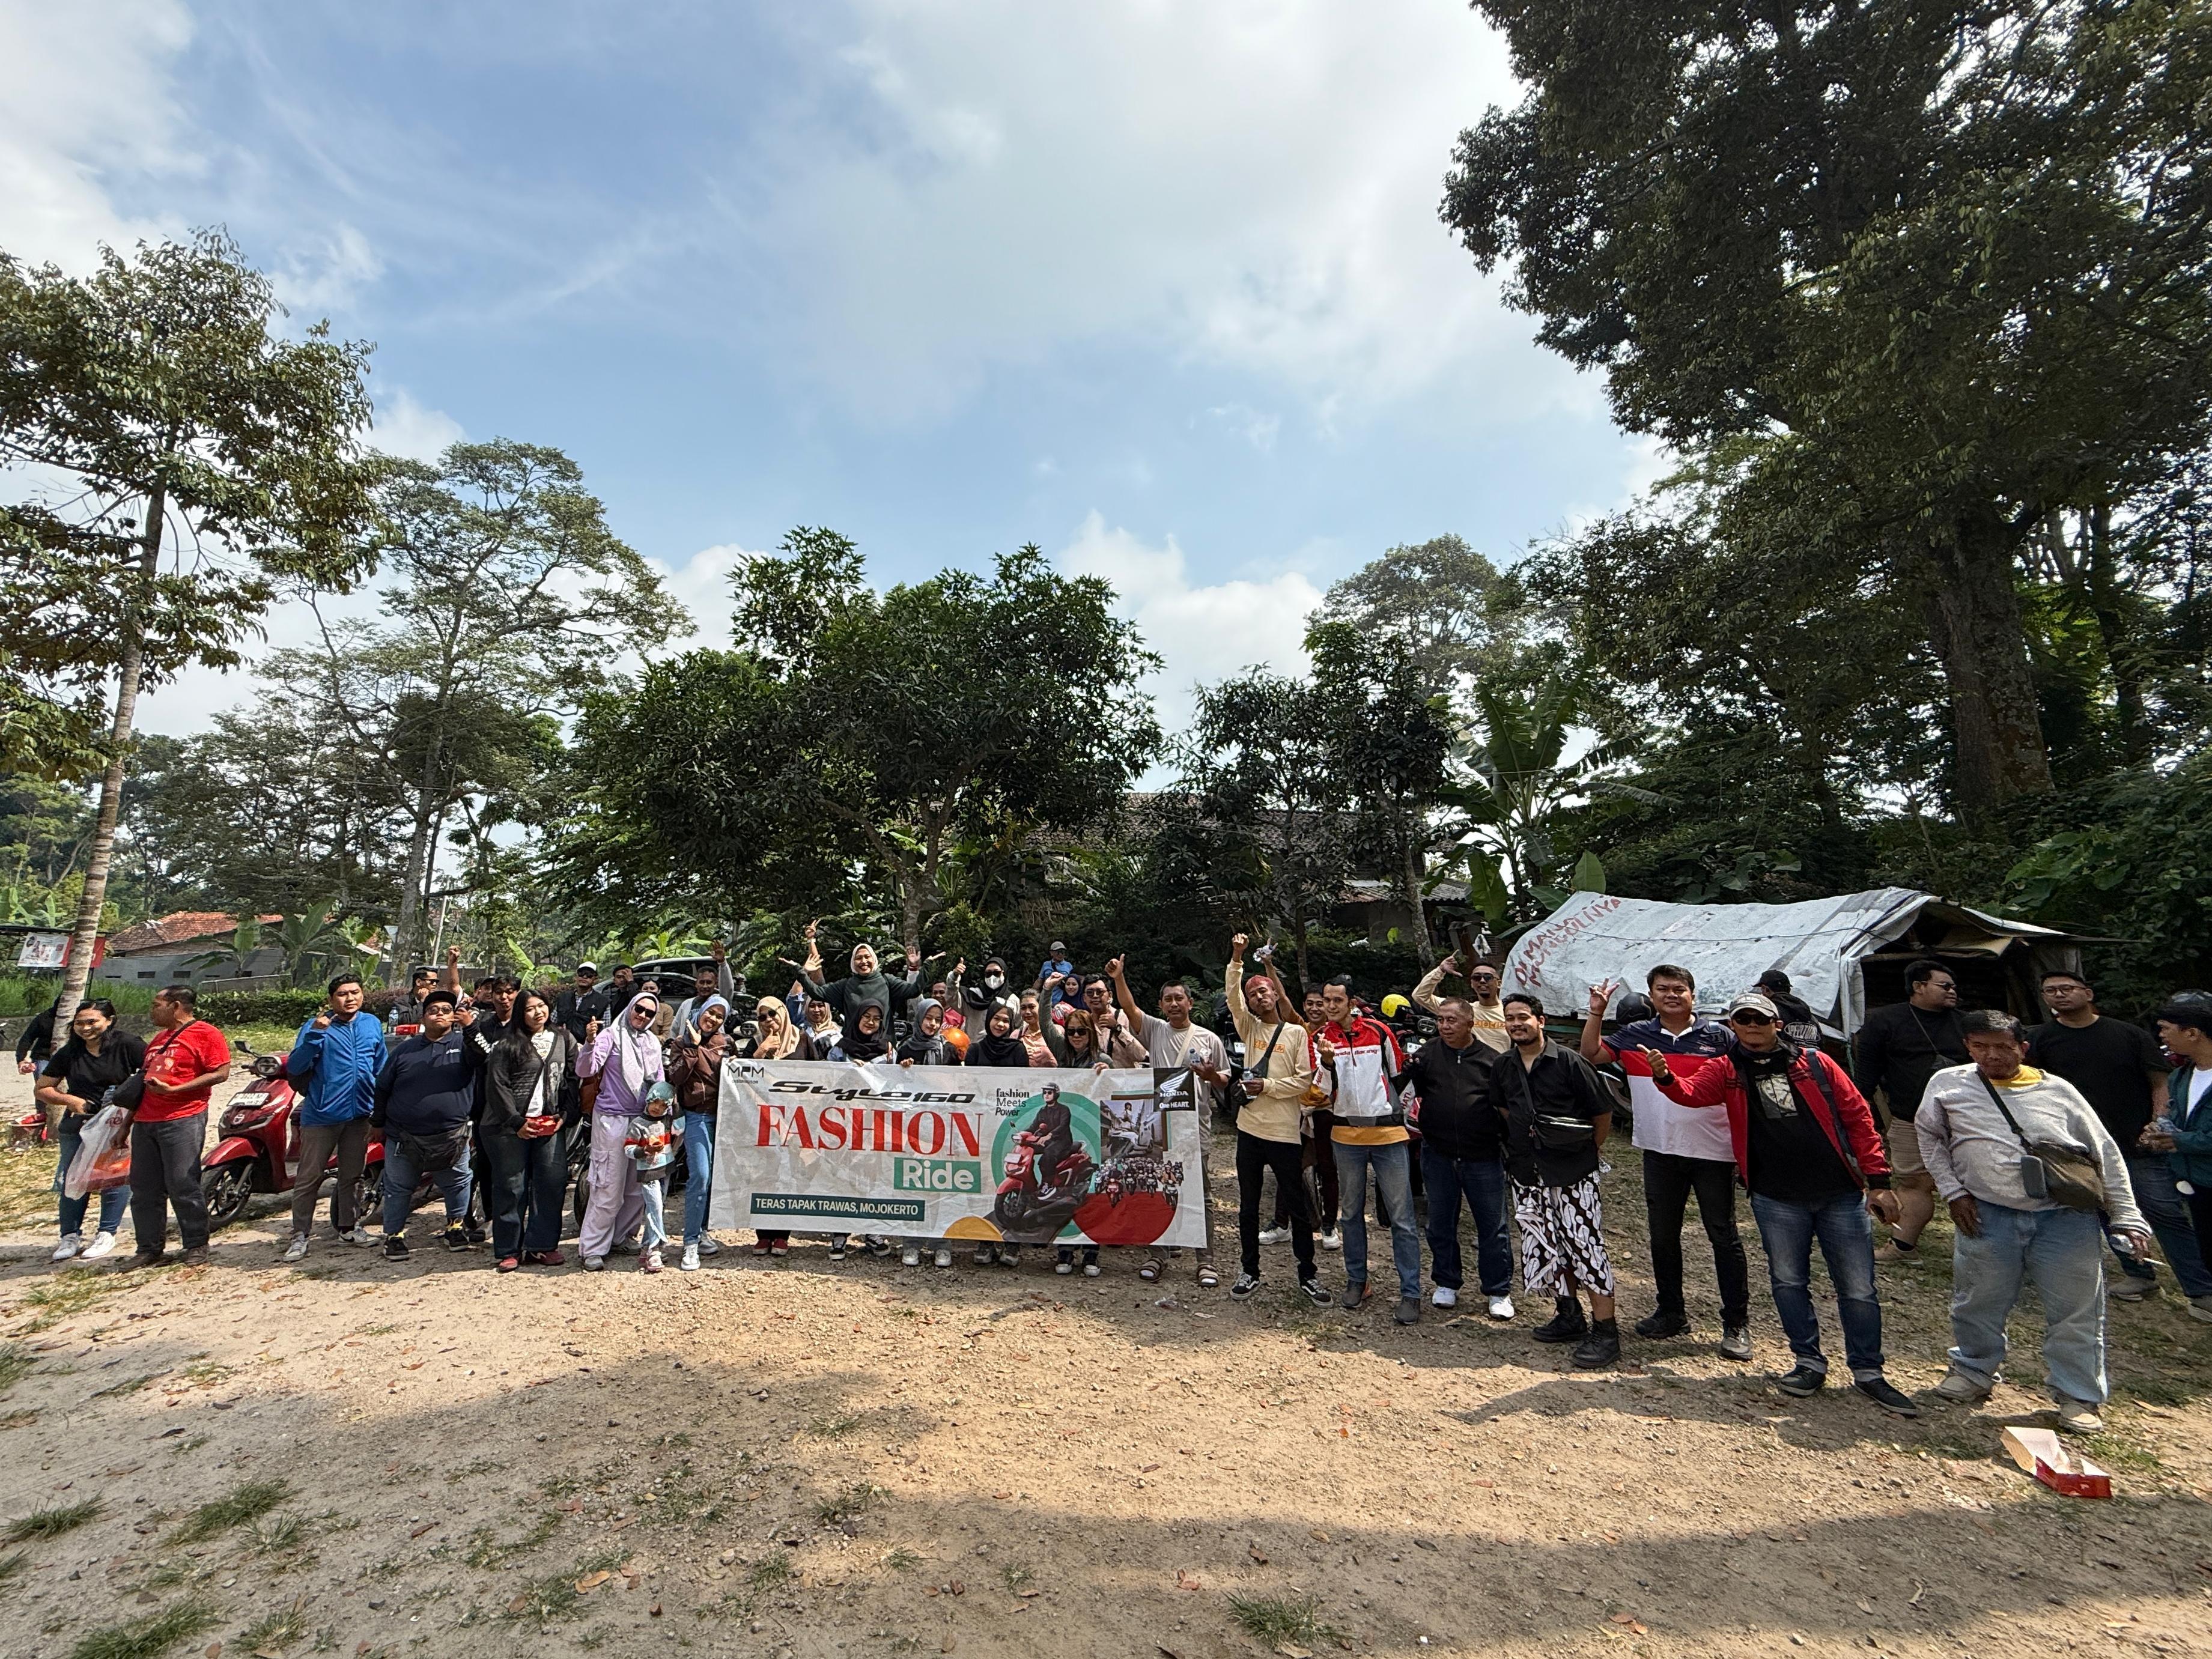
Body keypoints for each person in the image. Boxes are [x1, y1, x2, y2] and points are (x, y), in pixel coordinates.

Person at [1648, 991, 1918, 1416]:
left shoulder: (1816, 1063)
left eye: (1760, 1019)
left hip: (1839, 1193)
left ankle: (1868, 1371)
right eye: (1743, 1020)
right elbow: (1693, 1094)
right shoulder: (1726, 1068)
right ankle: (1808, 1362)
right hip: (1775, 1197)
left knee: (1858, 1288)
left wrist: (1879, 1180)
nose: (1752, 1027)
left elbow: (1859, 1117)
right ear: (1733, 1026)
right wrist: (1665, 1078)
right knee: (1789, 1282)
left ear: (1777, 1024)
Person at [1917, 1010, 2150, 1433]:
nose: (1992, 1055)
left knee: (2076, 1310)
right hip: (1986, 1214)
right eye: (1980, 1046)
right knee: (1978, 1301)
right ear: (1967, 1047)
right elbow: (1930, 1138)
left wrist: (2126, 1216)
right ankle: (1972, 1370)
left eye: (2003, 1047)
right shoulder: (1947, 1085)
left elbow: (2104, 1152)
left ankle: (2078, 1395)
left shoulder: (2058, 1091)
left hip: (2065, 1218)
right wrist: (1953, 1192)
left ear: (2023, 1048)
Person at [1580, 965, 1751, 1359]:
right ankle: (1671, 1312)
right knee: (1663, 1236)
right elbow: (1590, 1054)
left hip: (1714, 1152)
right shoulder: (1635, 1035)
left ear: (1693, 994)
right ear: (1652, 996)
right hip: (1659, 1150)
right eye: (1662, 989)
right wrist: (1597, 1012)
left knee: (1723, 1236)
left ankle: (1736, 1324)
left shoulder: (1720, 1037)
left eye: (1679, 989)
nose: (1671, 995)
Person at [2027, 970, 2207, 1318]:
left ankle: (2201, 1288)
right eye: (2050, 990)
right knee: (2107, 1211)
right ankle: (2139, 1274)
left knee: (2164, 1211)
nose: (2059, 995)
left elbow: (2159, 1081)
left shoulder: (2128, 1034)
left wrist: (2158, 1122)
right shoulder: (2041, 1039)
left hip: (2135, 1141)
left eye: (2067, 988)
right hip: (2079, 1146)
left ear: (2088, 993)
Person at [1489, 992, 1620, 1366]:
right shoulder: (1504, 1066)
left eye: (1523, 1017)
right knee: (1547, 1245)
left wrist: (1584, 1151)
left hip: (1573, 1172)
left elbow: (1601, 1113)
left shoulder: (1570, 1062)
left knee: (1586, 1247)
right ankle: (1569, 1315)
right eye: (1510, 1018)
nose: (1517, 1024)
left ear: (1540, 1020)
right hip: (1528, 1172)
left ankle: (1606, 1332)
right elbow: (1504, 1108)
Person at [1108, 955, 1230, 1289]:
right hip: (1159, 1126)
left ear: (1190, 1003)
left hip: (1195, 1126)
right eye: (1168, 1000)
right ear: (1161, 1006)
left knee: (1200, 1193)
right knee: (1158, 1190)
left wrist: (1210, 1075)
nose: (1174, 1004)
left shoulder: (1209, 1039)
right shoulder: (1155, 1031)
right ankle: (1158, 1254)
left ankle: (1205, 1260)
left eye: (1179, 998)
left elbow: (1224, 1080)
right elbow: (1129, 1008)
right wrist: (1119, 977)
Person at [1223, 936, 1326, 1304]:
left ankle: (1308, 1274)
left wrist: (1265, 1086)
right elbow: (1232, 996)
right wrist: (1237, 957)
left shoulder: (1296, 1033)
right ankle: (1249, 1271)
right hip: (1250, 1130)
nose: (1258, 997)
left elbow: (1303, 1081)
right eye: (1253, 995)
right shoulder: (1249, 1028)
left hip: (1284, 1133)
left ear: (1275, 994)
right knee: (1248, 1207)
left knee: (1297, 1206)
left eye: (1263, 991)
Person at [1315, 975, 1418, 1322]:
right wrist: (1327, 1063)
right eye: (1327, 1000)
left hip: (1388, 1135)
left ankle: (1411, 1292)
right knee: (1350, 1214)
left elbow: (1400, 1077)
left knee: (1402, 1217)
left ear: (1352, 1002)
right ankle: (1357, 1280)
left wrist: (1397, 1115)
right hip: (1346, 1136)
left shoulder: (1379, 1032)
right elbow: (1321, 1091)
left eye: (1337, 1000)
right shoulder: (1322, 1039)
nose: (1331, 1006)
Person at [1405, 992, 1513, 1320]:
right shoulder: (1427, 1054)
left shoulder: (1493, 1061)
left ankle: (1498, 1290)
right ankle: (1446, 1282)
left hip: (1483, 1156)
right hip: (1438, 1154)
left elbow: (1507, 1108)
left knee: (1492, 1227)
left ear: (1470, 1023)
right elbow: (1411, 1090)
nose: (1445, 1026)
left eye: (1452, 1020)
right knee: (1440, 1223)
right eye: (1440, 1020)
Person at [1853, 960, 1967, 1261]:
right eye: (1945, 985)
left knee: (1979, 1183)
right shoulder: (1884, 1020)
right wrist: (1860, 1109)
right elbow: (1867, 1070)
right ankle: (1903, 1247)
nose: (1952, 991)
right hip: (1909, 1118)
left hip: (1968, 1119)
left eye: (1954, 986)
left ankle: (1987, 1250)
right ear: (1919, 987)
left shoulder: (1967, 1023)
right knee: (1914, 1182)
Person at [123, 986, 230, 1268]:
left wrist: (176, 1090)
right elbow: (143, 1086)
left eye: (156, 1004)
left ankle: (196, 1244)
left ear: (176, 1006)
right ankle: (149, 1248)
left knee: (183, 1184)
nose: (152, 1010)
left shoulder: (206, 1033)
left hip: (183, 1118)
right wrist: (125, 1126)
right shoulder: (158, 1039)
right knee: (144, 1190)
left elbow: (221, 1073)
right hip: (146, 1121)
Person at [37, 999, 142, 1262]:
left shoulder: (128, 1045)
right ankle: (69, 1236)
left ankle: (107, 1233)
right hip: (78, 1124)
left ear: (109, 1021)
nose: (85, 1028)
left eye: (92, 1022)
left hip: (118, 1124)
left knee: (114, 1177)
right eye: (79, 1023)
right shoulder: (69, 1052)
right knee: (73, 1179)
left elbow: (149, 1075)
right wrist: (70, 1100)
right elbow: (43, 1088)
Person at [478, 988, 575, 1271]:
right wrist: (516, 1122)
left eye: (541, 1006)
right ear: (520, 1013)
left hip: (549, 1124)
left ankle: (542, 1246)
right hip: (508, 1128)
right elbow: (497, 1085)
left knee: (551, 1183)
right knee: (511, 1186)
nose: (537, 1013)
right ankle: (509, 1249)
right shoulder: (506, 1044)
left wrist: (566, 1114)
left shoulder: (563, 1038)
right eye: (530, 1008)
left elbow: (571, 1078)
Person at [575, 991, 665, 1271]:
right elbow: (586, 1069)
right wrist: (590, 1043)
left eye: (650, 1013)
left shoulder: (652, 1042)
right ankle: (593, 1248)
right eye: (640, 1009)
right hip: (611, 1120)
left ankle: (622, 1236)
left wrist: (664, 1115)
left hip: (643, 1121)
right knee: (608, 1185)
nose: (643, 1016)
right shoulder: (610, 1036)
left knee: (637, 1186)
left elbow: (659, 1081)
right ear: (630, 1008)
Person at [734, 996, 813, 1258]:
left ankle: (782, 1234)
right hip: (762, 1120)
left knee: (789, 1176)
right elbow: (741, 1077)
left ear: (783, 1013)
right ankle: (763, 1234)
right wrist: (761, 1052)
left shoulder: (802, 1040)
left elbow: (822, 1072)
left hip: (794, 1119)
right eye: (762, 1017)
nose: (768, 1021)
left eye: (773, 1014)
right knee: (764, 1175)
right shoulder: (756, 1043)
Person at [2145, 996, 2212, 1290]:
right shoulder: (2180, 1076)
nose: (2161, 1035)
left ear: (2192, 1032)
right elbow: (2177, 1119)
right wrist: (2159, 1130)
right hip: (2196, 1181)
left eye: (2165, 1028)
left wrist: (2178, 1140)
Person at [667, 993, 730, 1272]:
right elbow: (676, 1076)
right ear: (701, 1011)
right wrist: (692, 1048)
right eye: (710, 1012)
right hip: (697, 1117)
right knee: (700, 1176)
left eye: (719, 1016)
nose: (713, 1019)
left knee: (713, 1178)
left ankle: (702, 1231)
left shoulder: (725, 1044)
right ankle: (690, 1242)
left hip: (725, 1119)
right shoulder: (681, 1043)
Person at [798, 921, 926, 1036]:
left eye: (867, 957)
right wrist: (803, 971)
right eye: (859, 958)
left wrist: (916, 967)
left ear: (874, 959)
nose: (864, 961)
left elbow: (914, 990)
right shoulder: (846, 986)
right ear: (853, 963)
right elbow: (817, 992)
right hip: (853, 1049)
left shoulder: (887, 982)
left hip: (883, 1047)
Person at [625, 1084, 682, 1273]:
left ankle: (646, 1247)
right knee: (655, 1207)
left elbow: (681, 1126)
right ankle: (655, 1249)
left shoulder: (667, 1120)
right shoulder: (638, 1124)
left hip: (666, 1169)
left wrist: (676, 1103)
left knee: (657, 1207)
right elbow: (628, 1149)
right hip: (648, 1172)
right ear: (649, 1100)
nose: (657, 1108)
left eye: (663, 1105)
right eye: (655, 1102)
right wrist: (644, 1151)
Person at [1411, 952, 1510, 1052]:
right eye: (1477, 977)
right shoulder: (1462, 1010)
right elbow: (1420, 996)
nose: (1482, 981)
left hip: (1503, 1061)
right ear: (1472, 984)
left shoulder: (1510, 1011)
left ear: (1499, 983)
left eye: (1488, 977)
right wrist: (1440, 970)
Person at [667, 943, 737, 1045]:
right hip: (687, 1050)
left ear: (715, 985)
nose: (705, 986)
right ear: (696, 984)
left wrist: (722, 964)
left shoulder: (719, 1002)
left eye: (709, 982)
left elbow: (728, 988)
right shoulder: (687, 1004)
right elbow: (675, 1029)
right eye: (702, 982)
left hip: (711, 1050)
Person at [950, 957, 1021, 1045]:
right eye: (988, 974)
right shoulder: (974, 996)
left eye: (997, 973)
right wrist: (954, 977)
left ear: (1004, 973)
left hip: (1003, 1050)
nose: (992, 977)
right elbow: (952, 998)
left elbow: (1020, 1027)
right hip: (975, 1048)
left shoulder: (1013, 1001)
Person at [1756, 971, 1824, 1048]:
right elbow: (1821, 1044)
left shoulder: (1768, 1013)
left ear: (1766, 990)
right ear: (1789, 990)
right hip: (1812, 1056)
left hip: (1785, 1056)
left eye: (1761, 990)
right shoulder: (1810, 1016)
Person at [13, 992, 63, 1092]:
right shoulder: (44, 1018)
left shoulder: (77, 1019)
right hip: (43, 1056)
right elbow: (28, 1038)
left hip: (68, 1057)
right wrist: (21, 1059)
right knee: (43, 1088)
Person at [555, 962, 607, 1044]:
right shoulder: (563, 998)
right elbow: (552, 1022)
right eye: (581, 973)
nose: (584, 977)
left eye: (589, 975)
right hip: (562, 1044)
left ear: (595, 979)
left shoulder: (603, 1002)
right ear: (576, 977)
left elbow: (606, 1031)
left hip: (588, 1046)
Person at [1017, 989, 1062, 1066]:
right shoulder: (1017, 1035)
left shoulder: (1057, 1031)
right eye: (1023, 1008)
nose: (1027, 1012)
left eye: (1032, 1007)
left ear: (1041, 1007)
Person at [1038, 941, 1078, 1008]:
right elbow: (1040, 981)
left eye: (1063, 952)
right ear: (1051, 953)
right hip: (1048, 999)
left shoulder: (1068, 966)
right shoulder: (1046, 965)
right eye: (1058, 952)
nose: (1061, 954)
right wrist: (1032, 994)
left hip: (1063, 1000)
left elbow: (1073, 982)